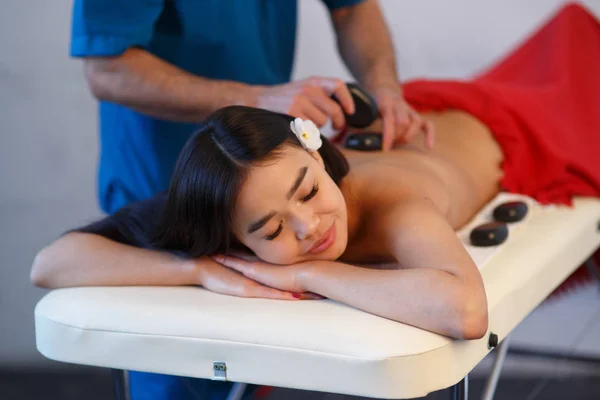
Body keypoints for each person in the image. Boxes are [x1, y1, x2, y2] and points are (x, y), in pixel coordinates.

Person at [39, 2, 600, 398]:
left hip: (517, 128)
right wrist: (201, 270)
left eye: (308, 191)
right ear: (238, 239)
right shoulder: (246, 192)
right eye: (273, 231)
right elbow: (53, 263)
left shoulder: (393, 204)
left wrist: (307, 276)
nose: (309, 228)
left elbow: (465, 310)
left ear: (320, 155)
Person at [71, 0, 434, 216]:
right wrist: (256, 99)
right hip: (164, 186)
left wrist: (383, 87)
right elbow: (109, 70)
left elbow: (352, 9)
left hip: (268, 186)